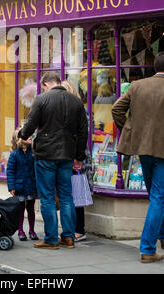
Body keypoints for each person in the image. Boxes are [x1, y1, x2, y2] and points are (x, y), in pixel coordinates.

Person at [112, 51, 164, 263]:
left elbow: (116, 110)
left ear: (154, 67)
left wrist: (131, 131)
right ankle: (148, 249)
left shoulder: (137, 86)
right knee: (158, 197)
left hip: (143, 150)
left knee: (155, 195)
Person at [18, 71, 88, 250]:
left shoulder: (42, 99)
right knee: (66, 196)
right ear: (58, 82)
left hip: (45, 155)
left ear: (46, 84)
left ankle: (50, 239)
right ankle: (68, 237)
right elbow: (83, 132)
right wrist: (79, 156)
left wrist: (22, 134)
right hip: (67, 155)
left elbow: (30, 124)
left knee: (48, 197)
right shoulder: (76, 101)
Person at [61, 80, 94, 242]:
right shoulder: (67, 111)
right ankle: (72, 227)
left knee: (77, 192)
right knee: (69, 192)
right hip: (68, 156)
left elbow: (81, 135)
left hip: (77, 157)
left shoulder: (79, 111)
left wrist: (77, 158)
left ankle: (79, 229)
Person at [6, 128, 38, 242]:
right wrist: (11, 186)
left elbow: (36, 170)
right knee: (20, 210)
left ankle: (32, 231)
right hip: (19, 187)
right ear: (20, 139)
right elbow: (10, 171)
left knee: (31, 209)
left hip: (31, 186)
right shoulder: (14, 155)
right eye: (27, 136)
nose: (30, 137)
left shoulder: (33, 153)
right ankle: (20, 230)